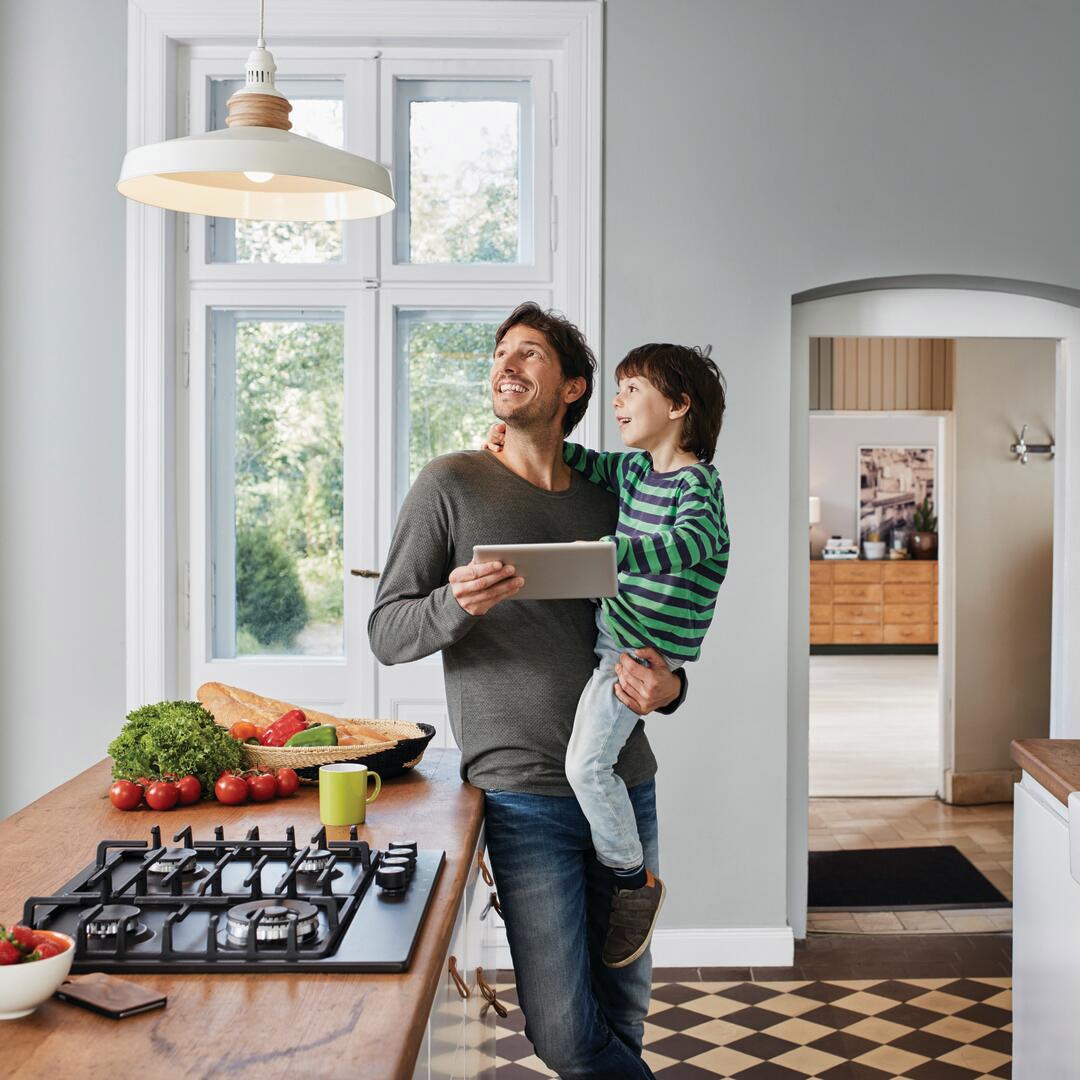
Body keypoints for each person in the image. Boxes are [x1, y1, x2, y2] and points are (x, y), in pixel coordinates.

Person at [368, 302, 686, 1079]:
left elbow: (660, 621)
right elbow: (388, 632)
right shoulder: (450, 483)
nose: (506, 364)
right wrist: (457, 602)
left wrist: (671, 689)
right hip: (521, 800)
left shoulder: (613, 496)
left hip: (622, 782)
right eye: (500, 352)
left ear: (574, 387)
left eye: (531, 354)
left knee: (621, 1018)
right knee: (567, 1037)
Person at [486, 342, 729, 969]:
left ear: (678, 406)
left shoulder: (697, 486)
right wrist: (508, 442)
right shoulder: (634, 472)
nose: (616, 402)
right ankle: (625, 875)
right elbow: (582, 459)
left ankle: (630, 882)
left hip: (630, 658)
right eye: (616, 389)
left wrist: (610, 558)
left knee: (586, 769)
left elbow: (693, 543)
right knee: (590, 767)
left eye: (631, 391)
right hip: (618, 646)